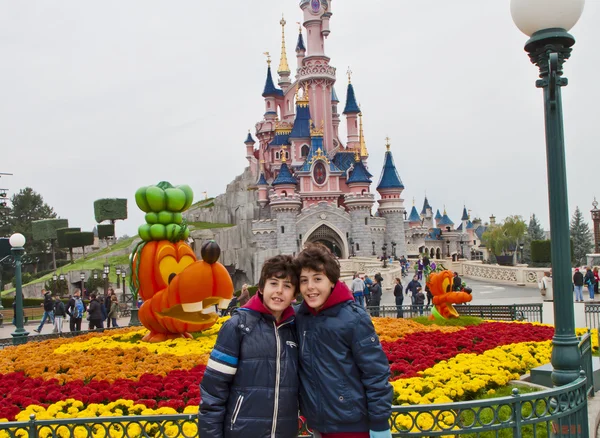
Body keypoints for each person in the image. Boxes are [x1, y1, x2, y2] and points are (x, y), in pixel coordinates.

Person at [294, 243, 393, 438]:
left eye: (317, 279)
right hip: (319, 425)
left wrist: (380, 424)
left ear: (332, 281)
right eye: (304, 280)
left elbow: (376, 374)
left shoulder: (354, 318)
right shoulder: (300, 317)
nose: (310, 287)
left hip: (352, 426)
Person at [199, 255, 299, 438]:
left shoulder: (295, 329)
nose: (279, 291)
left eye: (287, 286)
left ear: (294, 294)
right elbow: (213, 392)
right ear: (261, 287)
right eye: (274, 283)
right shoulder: (237, 327)